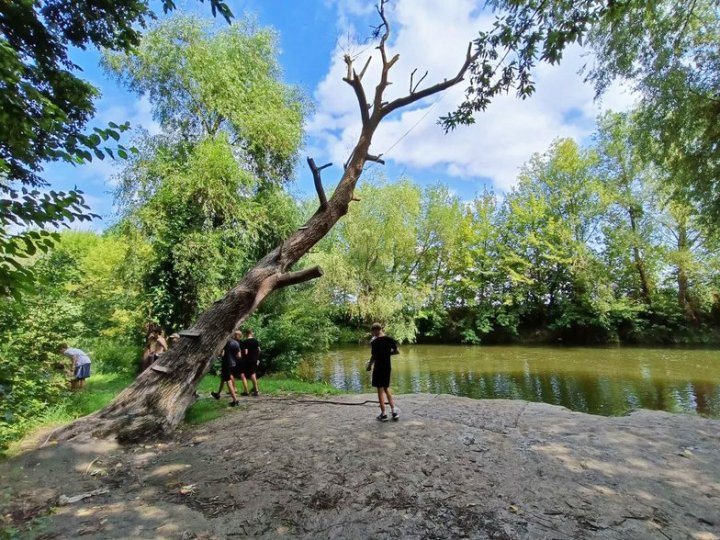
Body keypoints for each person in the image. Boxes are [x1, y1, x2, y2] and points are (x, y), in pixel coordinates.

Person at [369, 322, 399, 421]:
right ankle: (394, 411)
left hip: (378, 367)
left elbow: (373, 357)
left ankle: (384, 414)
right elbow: (396, 351)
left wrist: (369, 365)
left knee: (380, 391)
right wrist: (387, 354)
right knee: (387, 388)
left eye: (372, 331)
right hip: (387, 367)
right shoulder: (390, 339)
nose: (372, 334)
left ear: (376, 330)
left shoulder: (374, 342)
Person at [212, 332, 240, 406]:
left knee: (228, 381)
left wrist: (221, 354)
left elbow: (222, 354)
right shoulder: (237, 343)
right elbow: (239, 356)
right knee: (223, 378)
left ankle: (235, 400)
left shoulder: (226, 342)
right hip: (233, 364)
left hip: (226, 363)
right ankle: (218, 394)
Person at [239, 329, 261, 396]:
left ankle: (255, 390)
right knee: (253, 373)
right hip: (255, 359)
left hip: (248, 359)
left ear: (247, 334)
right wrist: (257, 358)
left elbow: (246, 352)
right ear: (251, 333)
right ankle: (255, 390)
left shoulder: (245, 341)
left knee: (250, 374)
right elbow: (259, 350)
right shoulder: (255, 341)